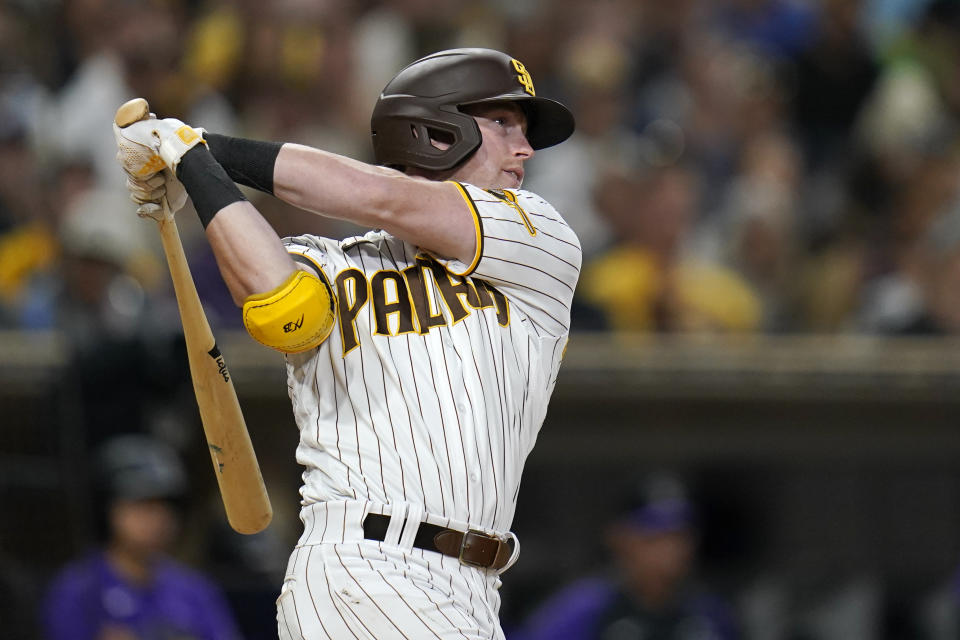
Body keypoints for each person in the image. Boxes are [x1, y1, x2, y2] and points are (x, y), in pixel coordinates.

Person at [113, 47, 580, 639]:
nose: (526, 148)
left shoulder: (537, 237)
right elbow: (282, 307)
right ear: (438, 132)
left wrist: (194, 146)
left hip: (473, 590)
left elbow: (380, 197)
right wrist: (195, 171)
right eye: (503, 123)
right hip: (362, 568)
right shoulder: (331, 262)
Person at [41, 433, 242, 640]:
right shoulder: (78, 589)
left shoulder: (196, 591)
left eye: (166, 506)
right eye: (143, 505)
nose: (157, 520)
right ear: (109, 509)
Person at [520, 475, 739, 640]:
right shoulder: (583, 608)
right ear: (619, 538)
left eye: (678, 536)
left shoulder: (710, 614)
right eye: (654, 537)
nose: (670, 550)